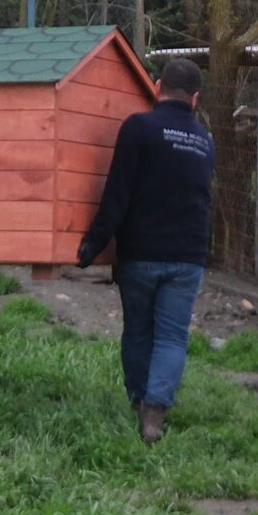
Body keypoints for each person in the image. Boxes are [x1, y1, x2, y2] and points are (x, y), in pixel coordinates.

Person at [79, 59, 215, 443]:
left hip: (141, 253)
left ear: (157, 87)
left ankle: (140, 400)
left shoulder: (139, 128)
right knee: (172, 336)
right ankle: (155, 415)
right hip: (188, 255)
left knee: (138, 331)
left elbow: (117, 194)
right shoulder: (205, 141)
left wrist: (94, 242)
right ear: (195, 98)